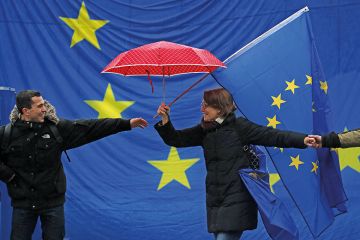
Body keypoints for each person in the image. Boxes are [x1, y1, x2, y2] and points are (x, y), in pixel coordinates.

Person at [154, 88, 314, 240]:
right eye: (202, 105)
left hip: (238, 198)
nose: (202, 109)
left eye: (205, 105)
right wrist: (165, 119)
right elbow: (176, 139)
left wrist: (303, 139)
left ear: (219, 108)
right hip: (215, 201)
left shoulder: (240, 127)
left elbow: (273, 135)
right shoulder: (204, 131)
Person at [0, 90, 148, 240]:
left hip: (53, 204)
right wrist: (8, 175)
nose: (44, 109)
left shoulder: (56, 128)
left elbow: (92, 127)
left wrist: (126, 124)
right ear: (25, 111)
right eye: (39, 106)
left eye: (44, 104)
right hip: (22, 204)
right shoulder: (6, 134)